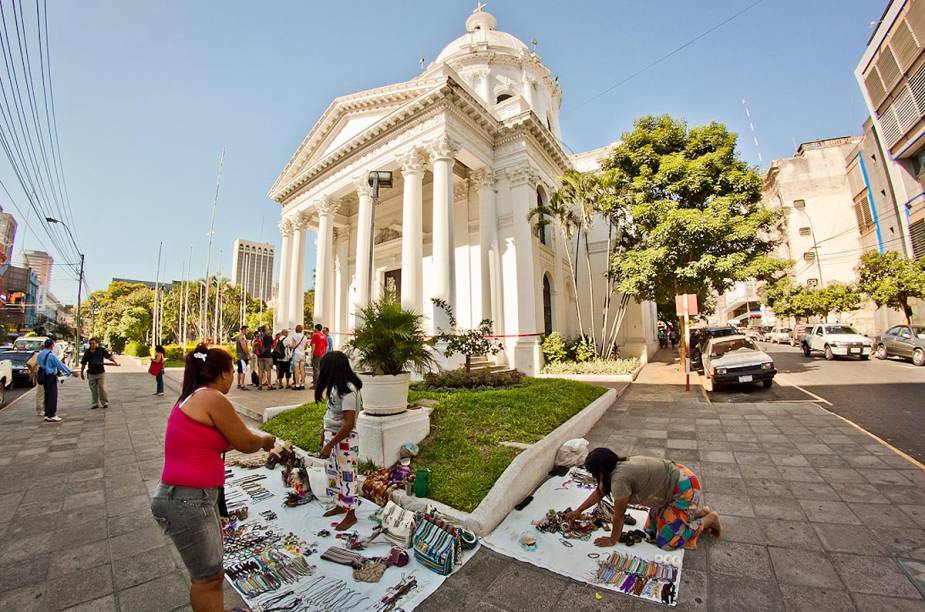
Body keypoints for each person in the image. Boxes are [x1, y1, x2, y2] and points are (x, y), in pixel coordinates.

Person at [150, 345, 276, 612]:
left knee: (211, 575)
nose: (232, 377)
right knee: (207, 579)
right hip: (187, 500)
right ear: (221, 374)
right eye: (231, 371)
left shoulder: (193, 397)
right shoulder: (212, 398)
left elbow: (216, 441)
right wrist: (265, 439)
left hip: (187, 498)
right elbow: (246, 441)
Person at [566, 448, 720, 550]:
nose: (593, 477)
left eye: (593, 473)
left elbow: (619, 514)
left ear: (601, 470)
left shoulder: (619, 479)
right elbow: (599, 492)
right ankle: (696, 512)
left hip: (684, 489)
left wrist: (613, 539)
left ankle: (709, 519)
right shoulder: (616, 465)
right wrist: (578, 511)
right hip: (673, 483)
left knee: (666, 543)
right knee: (650, 531)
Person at [315, 351, 362, 531]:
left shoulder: (348, 390)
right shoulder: (336, 386)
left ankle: (351, 514)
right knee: (333, 474)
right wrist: (324, 432)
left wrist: (330, 444)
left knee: (347, 475)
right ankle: (339, 503)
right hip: (333, 437)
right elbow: (331, 413)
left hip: (344, 440)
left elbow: (349, 423)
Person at [37, 338, 78, 423]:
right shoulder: (51, 355)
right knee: (52, 395)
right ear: (52, 345)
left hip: (43, 376)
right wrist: (71, 372)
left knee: (47, 395)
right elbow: (60, 365)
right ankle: (51, 414)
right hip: (51, 376)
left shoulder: (40, 354)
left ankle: (47, 414)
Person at [80, 337, 120, 409]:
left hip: (100, 372)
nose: (92, 345)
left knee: (102, 388)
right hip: (91, 373)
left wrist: (115, 362)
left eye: (93, 343)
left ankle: (104, 402)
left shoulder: (101, 350)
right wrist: (81, 373)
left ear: (96, 344)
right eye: (91, 344)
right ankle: (95, 403)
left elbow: (109, 357)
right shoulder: (87, 352)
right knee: (93, 389)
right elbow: (83, 363)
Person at [288, 324, 308, 390]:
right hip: (302, 354)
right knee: (302, 370)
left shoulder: (294, 336)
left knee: (296, 370)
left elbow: (293, 346)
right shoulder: (304, 337)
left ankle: (297, 385)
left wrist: (291, 346)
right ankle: (302, 384)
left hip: (296, 354)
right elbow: (305, 347)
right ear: (302, 329)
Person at [255, 325, 274, 390]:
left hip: (260, 356)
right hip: (267, 356)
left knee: (260, 370)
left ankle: (260, 385)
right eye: (268, 329)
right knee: (268, 370)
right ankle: (269, 385)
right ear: (265, 330)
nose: (269, 330)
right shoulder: (269, 336)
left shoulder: (258, 336)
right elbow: (273, 345)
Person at [26, 351, 44, 416]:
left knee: (42, 393)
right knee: (41, 393)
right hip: (41, 375)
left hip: (41, 375)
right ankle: (40, 410)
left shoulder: (38, 355)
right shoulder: (38, 355)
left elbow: (29, 364)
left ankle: (42, 409)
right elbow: (29, 363)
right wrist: (33, 371)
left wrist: (32, 371)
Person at [309, 324, 326, 389]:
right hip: (322, 354)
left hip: (316, 354)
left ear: (316, 328)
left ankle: (316, 385)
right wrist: (325, 353)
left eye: (315, 328)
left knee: (316, 369)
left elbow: (313, 345)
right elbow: (326, 346)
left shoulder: (315, 335)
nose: (314, 329)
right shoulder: (324, 336)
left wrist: (312, 354)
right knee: (321, 369)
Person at [234, 325, 251, 390]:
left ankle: (239, 384)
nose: (247, 331)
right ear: (243, 330)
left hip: (238, 356)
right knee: (243, 370)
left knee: (239, 370)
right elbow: (244, 347)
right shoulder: (242, 337)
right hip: (242, 356)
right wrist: (248, 354)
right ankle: (242, 385)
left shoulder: (238, 336)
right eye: (246, 330)